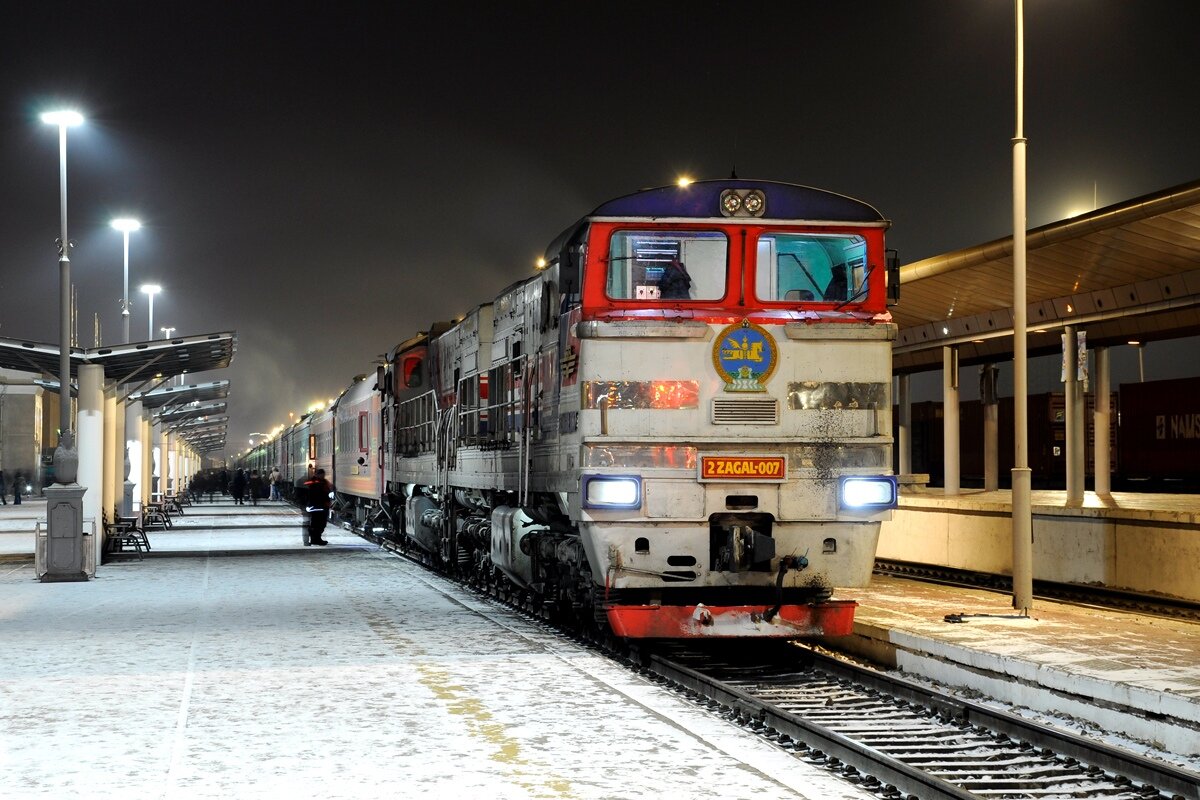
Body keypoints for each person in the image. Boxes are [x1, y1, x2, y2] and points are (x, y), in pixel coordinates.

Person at [302, 468, 332, 546]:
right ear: (317, 474)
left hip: (322, 506)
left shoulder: (323, 482)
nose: (323, 476)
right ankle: (315, 539)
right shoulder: (313, 482)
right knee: (317, 524)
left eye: (323, 475)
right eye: (321, 474)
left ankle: (317, 539)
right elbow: (313, 494)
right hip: (316, 506)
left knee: (321, 524)